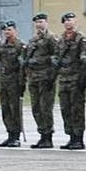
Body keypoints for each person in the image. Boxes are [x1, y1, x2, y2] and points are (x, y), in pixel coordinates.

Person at [55, 12, 86, 150]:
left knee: (77, 110)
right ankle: (71, 136)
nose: (68, 23)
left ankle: (78, 138)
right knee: (65, 109)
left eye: (70, 20)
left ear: (75, 22)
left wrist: (82, 80)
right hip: (64, 79)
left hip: (76, 79)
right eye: (65, 21)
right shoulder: (61, 39)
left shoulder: (81, 39)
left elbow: (85, 60)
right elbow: (57, 57)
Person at [24, 12, 59, 148]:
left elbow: (55, 57)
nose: (39, 25)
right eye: (37, 22)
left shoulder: (51, 38)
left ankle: (48, 136)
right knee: (36, 108)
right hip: (34, 78)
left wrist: (52, 77)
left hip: (46, 78)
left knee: (45, 108)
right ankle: (42, 134)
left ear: (46, 23)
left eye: (41, 22)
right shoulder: (33, 40)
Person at [0, 20, 26, 147]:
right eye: (5, 30)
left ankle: (16, 136)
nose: (7, 32)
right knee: (6, 109)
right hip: (4, 80)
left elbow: (23, 66)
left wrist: (22, 83)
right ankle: (10, 134)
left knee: (15, 109)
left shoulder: (20, 45)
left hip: (15, 80)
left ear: (15, 30)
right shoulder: (2, 45)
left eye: (9, 30)